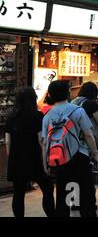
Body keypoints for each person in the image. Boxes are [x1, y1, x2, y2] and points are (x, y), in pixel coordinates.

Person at [41, 80, 98, 217]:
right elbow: (88, 134)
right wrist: (94, 153)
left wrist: (45, 162)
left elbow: (44, 142)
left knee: (63, 194)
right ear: (67, 93)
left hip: (60, 159)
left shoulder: (47, 116)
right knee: (85, 193)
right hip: (80, 156)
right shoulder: (78, 111)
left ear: (51, 95)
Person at [5, 87, 55, 217]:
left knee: (19, 192)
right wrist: (45, 161)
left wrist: (11, 158)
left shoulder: (11, 117)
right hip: (35, 158)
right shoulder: (38, 116)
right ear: (34, 99)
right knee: (47, 189)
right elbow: (41, 140)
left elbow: (8, 142)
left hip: (17, 159)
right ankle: (51, 214)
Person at [71, 82, 98, 201]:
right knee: (92, 172)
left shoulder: (73, 103)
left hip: (74, 141)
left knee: (75, 172)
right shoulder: (90, 104)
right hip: (91, 140)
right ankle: (90, 201)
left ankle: (74, 201)